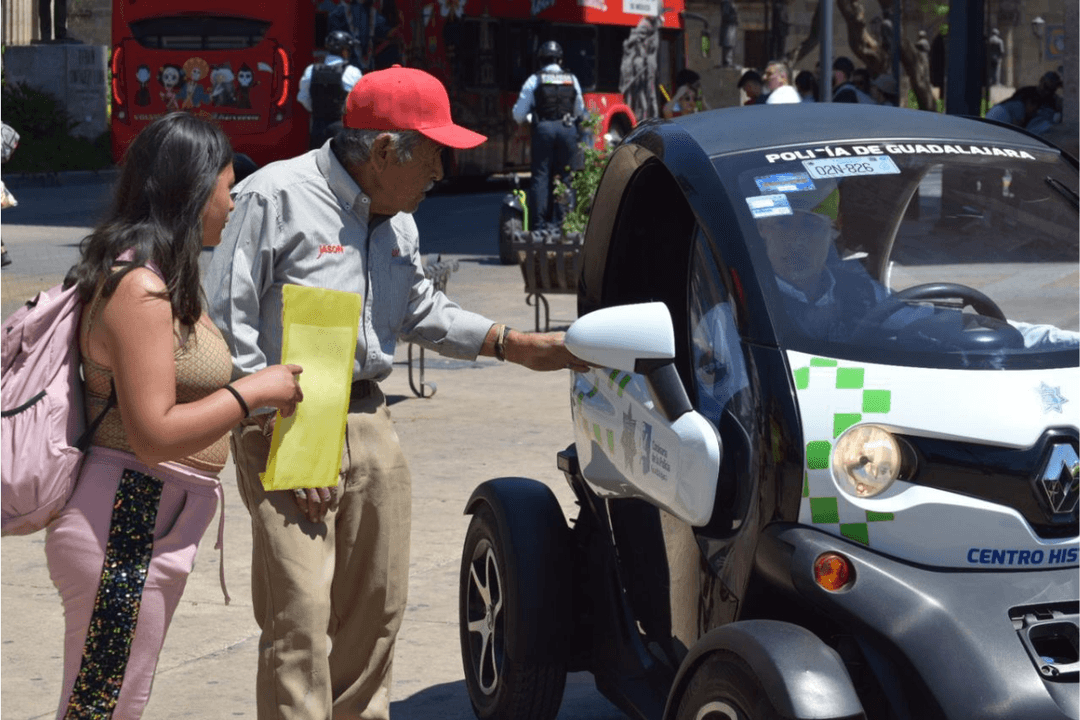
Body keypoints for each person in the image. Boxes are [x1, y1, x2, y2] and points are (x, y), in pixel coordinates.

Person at [203, 66, 589, 720]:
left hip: (369, 421)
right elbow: (226, 319)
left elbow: (417, 310)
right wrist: (271, 427)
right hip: (286, 420)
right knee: (300, 621)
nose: (442, 171)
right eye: (434, 153)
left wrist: (512, 343)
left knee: (374, 617)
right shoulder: (273, 197)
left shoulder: (399, 219)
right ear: (385, 151)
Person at [44, 112, 304, 719]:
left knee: (110, 705)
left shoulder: (162, 277)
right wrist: (252, 393)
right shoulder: (138, 288)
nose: (234, 200)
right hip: (126, 519)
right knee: (102, 708)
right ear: (192, 188)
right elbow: (154, 433)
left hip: (148, 518)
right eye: (227, 185)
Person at [512, 40, 585, 233]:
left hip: (543, 129)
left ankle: (539, 228)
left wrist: (531, 117)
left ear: (541, 60)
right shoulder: (572, 79)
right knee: (567, 177)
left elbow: (518, 115)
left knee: (541, 178)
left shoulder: (534, 80)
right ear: (560, 59)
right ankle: (566, 225)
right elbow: (580, 110)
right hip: (567, 129)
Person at [298, 31, 363, 149]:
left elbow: (303, 98)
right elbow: (359, 102)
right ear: (344, 51)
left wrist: (319, 111)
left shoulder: (311, 69)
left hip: (317, 127)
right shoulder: (352, 72)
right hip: (341, 129)